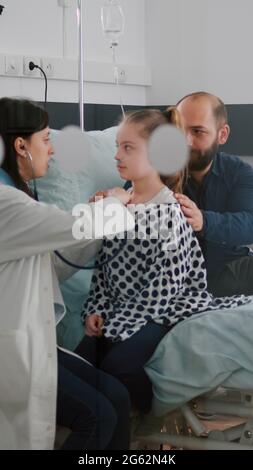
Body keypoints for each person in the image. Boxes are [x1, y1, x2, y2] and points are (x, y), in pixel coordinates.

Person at [76, 108, 250, 414]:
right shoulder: (116, 207)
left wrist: (121, 325)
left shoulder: (169, 213)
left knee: (119, 364)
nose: (117, 155)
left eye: (128, 148)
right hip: (121, 310)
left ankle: (149, 415)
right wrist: (96, 309)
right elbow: (103, 269)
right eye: (117, 145)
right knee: (79, 362)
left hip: (161, 311)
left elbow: (165, 287)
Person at [0, 97, 132, 450]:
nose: (52, 150)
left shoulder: (18, 199)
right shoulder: (5, 202)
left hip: (34, 340)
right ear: (20, 146)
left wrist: (95, 225)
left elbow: (50, 266)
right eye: (45, 139)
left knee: (117, 398)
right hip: (13, 351)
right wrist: (117, 201)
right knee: (98, 415)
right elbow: (73, 226)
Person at [174, 91, 253, 297]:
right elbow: (129, 206)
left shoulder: (239, 173)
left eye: (198, 131)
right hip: (176, 279)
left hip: (228, 273)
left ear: (222, 134)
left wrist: (204, 221)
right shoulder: (157, 171)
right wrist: (112, 201)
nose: (187, 141)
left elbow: (249, 223)